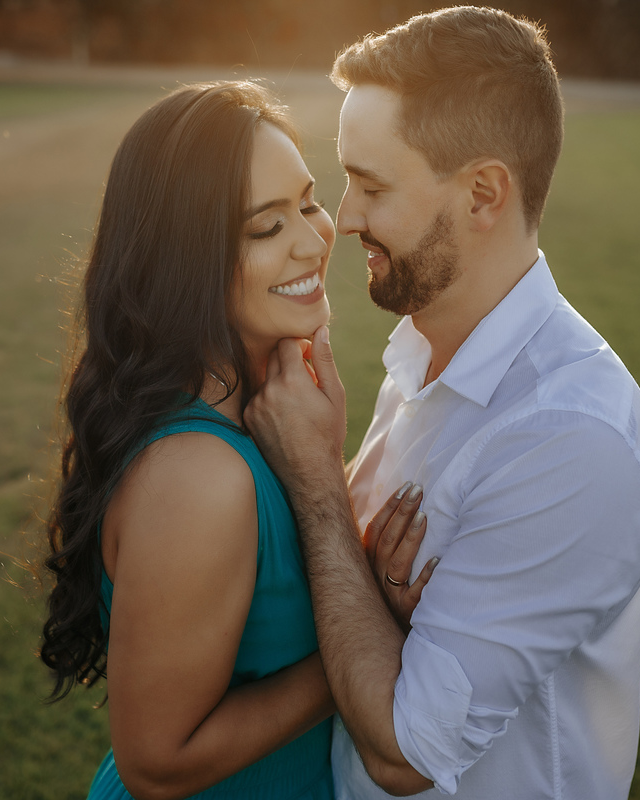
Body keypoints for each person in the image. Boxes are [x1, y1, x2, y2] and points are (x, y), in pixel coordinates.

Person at [245, 7, 640, 800]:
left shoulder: (571, 437)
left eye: (373, 186)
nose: (345, 218)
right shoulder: (423, 345)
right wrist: (380, 599)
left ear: (483, 194)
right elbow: (360, 588)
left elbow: (406, 753)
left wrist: (316, 479)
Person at [37, 81, 423, 800]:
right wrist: (374, 630)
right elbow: (157, 761)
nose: (312, 239)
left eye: (308, 202)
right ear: (185, 259)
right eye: (265, 227)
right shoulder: (198, 476)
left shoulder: (266, 412)